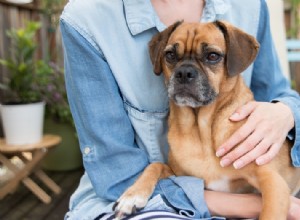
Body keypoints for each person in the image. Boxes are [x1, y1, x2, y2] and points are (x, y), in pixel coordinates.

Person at [60, 0, 300, 219]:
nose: (185, 72)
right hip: (148, 202)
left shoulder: (250, 7)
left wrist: (286, 111)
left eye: (211, 57)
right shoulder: (86, 19)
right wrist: (253, 205)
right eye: (172, 58)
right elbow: (115, 173)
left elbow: (278, 94)